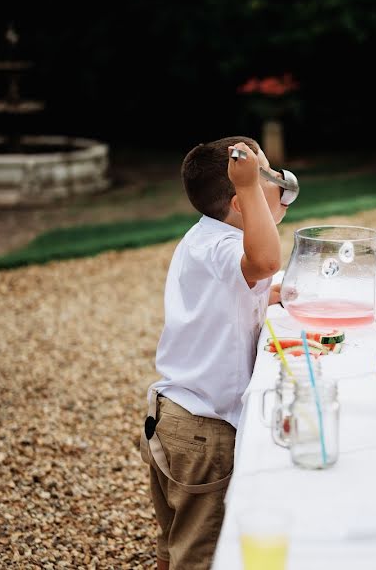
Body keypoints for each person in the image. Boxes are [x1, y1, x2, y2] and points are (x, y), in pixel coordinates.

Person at [139, 136, 291, 570]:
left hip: (176, 417)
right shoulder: (224, 247)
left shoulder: (205, 238)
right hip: (205, 432)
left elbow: (247, 286)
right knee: (201, 553)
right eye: (266, 178)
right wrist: (248, 186)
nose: (278, 183)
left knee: (174, 542)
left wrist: (273, 295)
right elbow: (262, 262)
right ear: (240, 202)